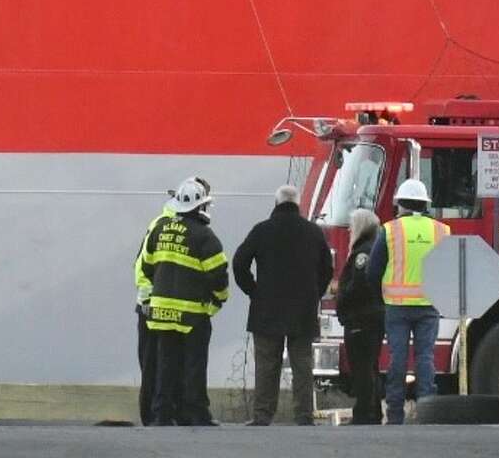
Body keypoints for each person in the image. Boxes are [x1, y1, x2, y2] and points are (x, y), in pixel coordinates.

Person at [232, 185, 333, 426]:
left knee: (267, 364)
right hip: (303, 310)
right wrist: (315, 294)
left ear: (276, 203)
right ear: (297, 204)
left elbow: (239, 263)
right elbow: (327, 269)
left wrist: (253, 291)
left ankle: (262, 415)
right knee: (302, 364)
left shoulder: (262, 230)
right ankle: (304, 415)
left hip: (266, 308)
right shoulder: (313, 232)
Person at [140, 177, 229, 426]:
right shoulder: (204, 236)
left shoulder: (159, 229)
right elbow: (218, 274)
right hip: (192, 314)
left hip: (160, 313)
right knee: (194, 365)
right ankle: (195, 412)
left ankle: (162, 414)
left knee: (165, 365)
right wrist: (219, 300)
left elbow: (146, 265)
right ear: (200, 207)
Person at [367, 178, 451, 425]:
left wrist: (381, 296)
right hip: (429, 305)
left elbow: (373, 271)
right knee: (425, 358)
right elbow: (449, 269)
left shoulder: (390, 230)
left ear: (400, 204)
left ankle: (395, 413)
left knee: (397, 358)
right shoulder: (441, 230)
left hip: (397, 306)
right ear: (425, 204)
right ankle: (426, 410)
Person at [335, 208, 385, 425]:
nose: (348, 229)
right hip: (374, 315)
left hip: (360, 316)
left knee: (361, 368)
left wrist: (342, 298)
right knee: (371, 365)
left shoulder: (362, 252)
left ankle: (363, 413)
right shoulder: (375, 245)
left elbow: (358, 285)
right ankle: (374, 411)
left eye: (352, 225)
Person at [134, 188, 176, 426]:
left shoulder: (160, 225)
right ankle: (153, 415)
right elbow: (142, 269)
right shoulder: (163, 227)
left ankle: (155, 414)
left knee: (153, 363)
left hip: (150, 306)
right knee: (155, 363)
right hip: (152, 308)